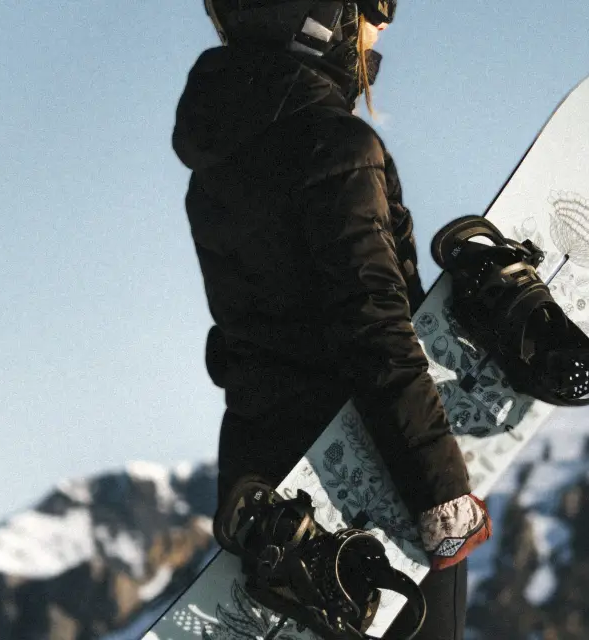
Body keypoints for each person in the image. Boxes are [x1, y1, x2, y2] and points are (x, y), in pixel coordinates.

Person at [171, 1, 490, 637]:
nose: (386, 20)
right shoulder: (335, 144)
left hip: (270, 496)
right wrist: (439, 496)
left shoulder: (217, 163)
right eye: (376, 2)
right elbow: (373, 328)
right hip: (370, 487)